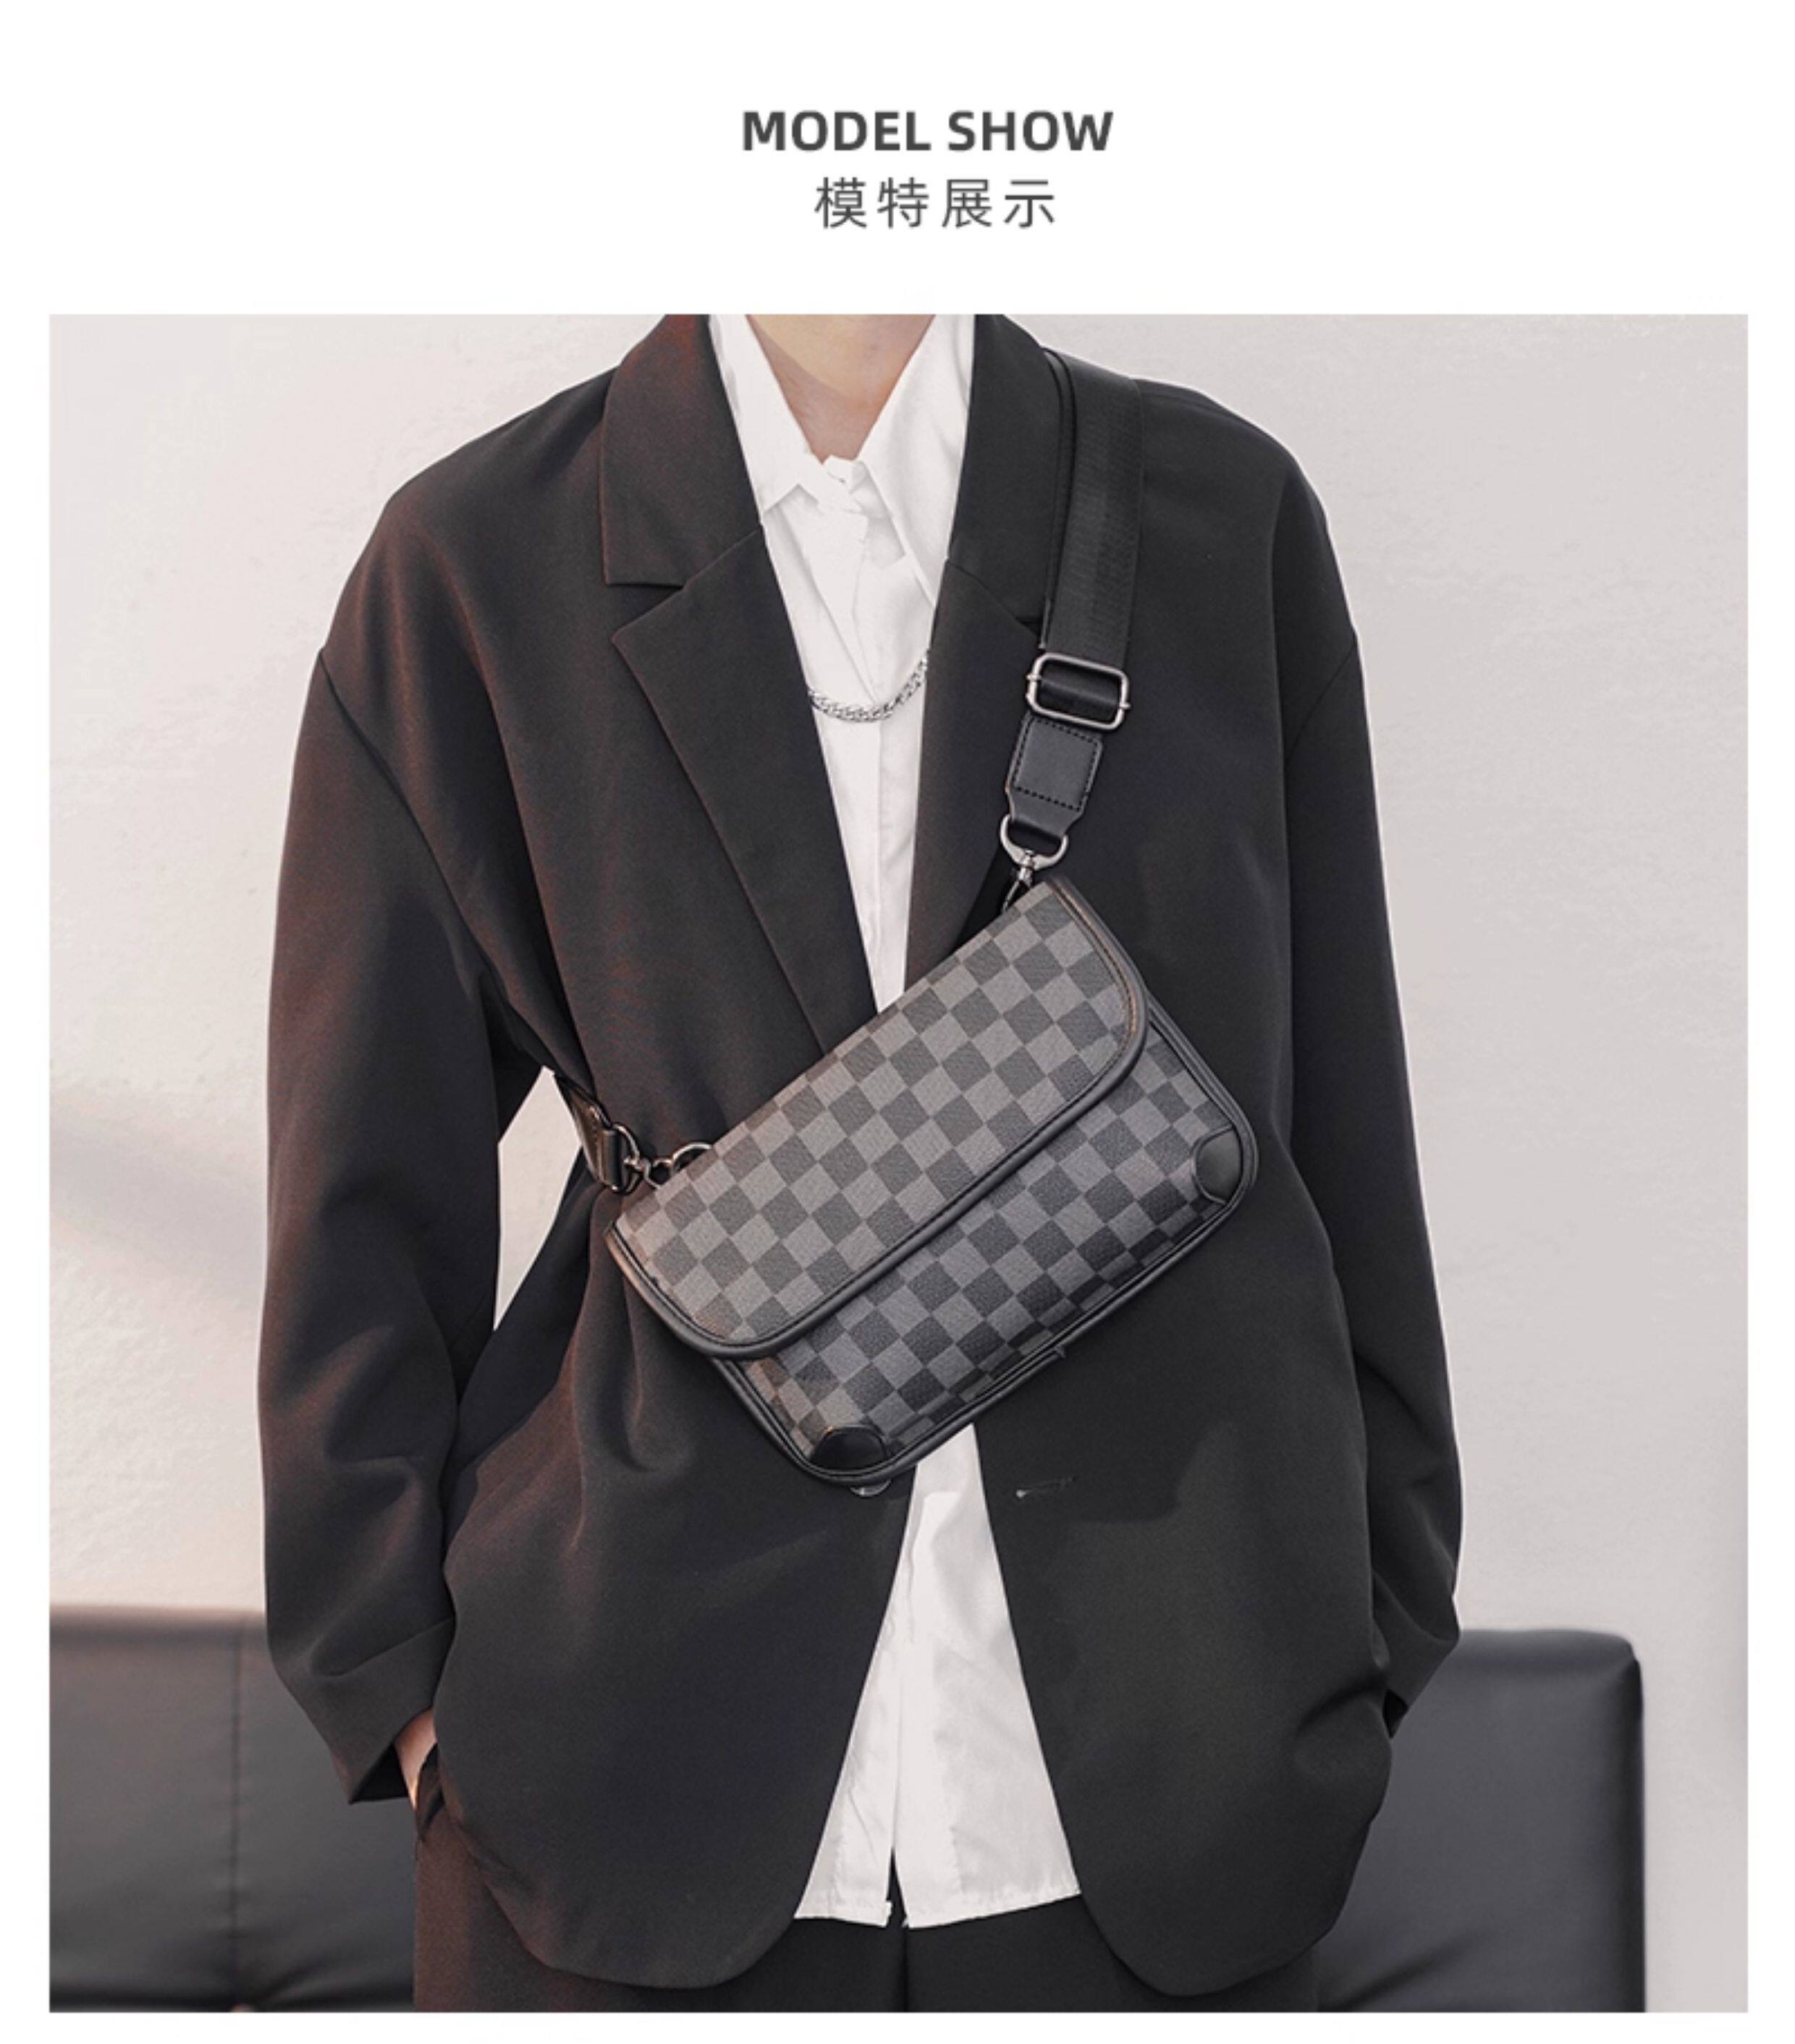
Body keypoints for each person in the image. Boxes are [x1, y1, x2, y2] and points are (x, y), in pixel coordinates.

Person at [258, 313, 1461, 2011]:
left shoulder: (1213, 512)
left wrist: (1377, 1617)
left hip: (1180, 1746)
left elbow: (1334, 1097)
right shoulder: (475, 558)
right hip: (621, 1764)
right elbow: (361, 1189)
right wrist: (401, 1687)